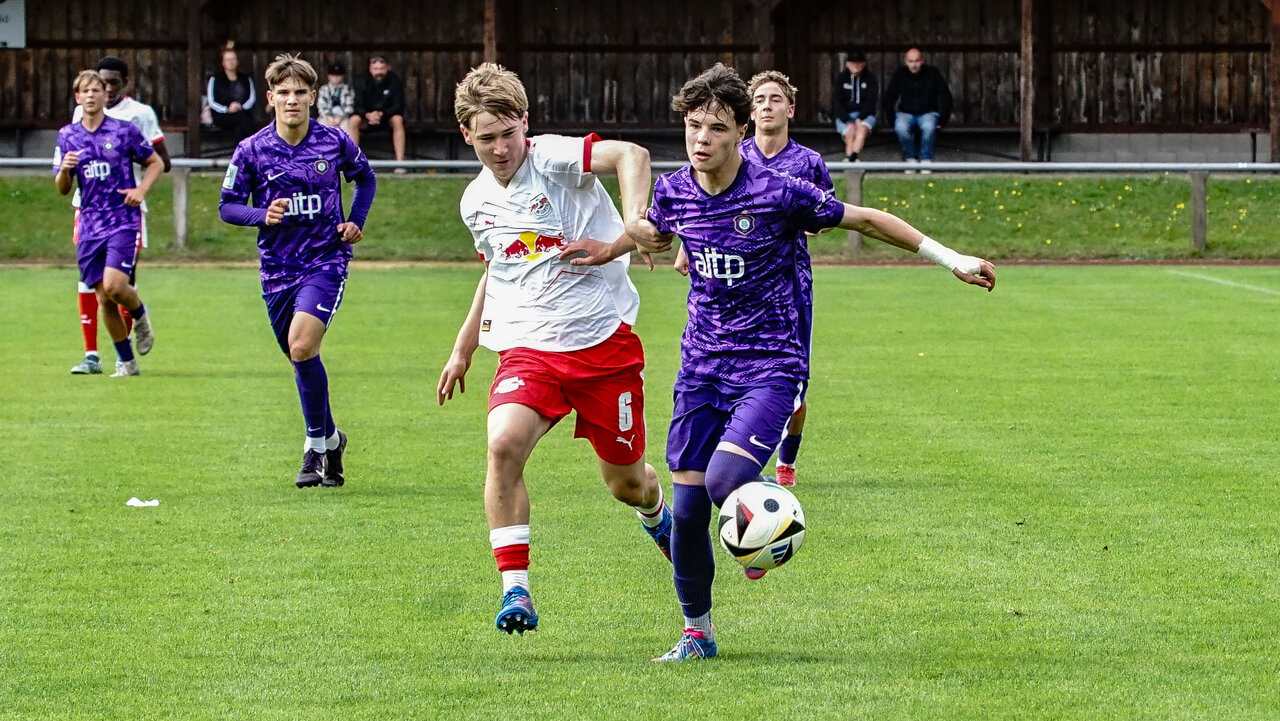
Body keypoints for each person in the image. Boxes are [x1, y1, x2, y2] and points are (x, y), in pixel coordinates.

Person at [645, 63, 995, 662]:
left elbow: (865, 219)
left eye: (717, 128)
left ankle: (772, 524)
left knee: (728, 482)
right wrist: (616, 247)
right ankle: (697, 633)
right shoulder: (674, 190)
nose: (701, 138)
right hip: (700, 367)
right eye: (693, 125)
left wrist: (950, 257)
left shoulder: (778, 191)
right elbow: (656, 231)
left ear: (740, 132)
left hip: (770, 363)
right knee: (686, 509)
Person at [436, 63, 673, 636]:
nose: (499, 149)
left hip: (601, 344)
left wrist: (634, 223)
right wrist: (464, 345)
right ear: (466, 134)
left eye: (507, 134)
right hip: (527, 348)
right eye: (485, 137)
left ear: (525, 123)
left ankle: (658, 516)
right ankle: (515, 591)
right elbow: (498, 270)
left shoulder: (555, 159)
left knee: (626, 482)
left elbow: (632, 156)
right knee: (503, 444)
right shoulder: (475, 202)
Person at [218, 54, 377, 489]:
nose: (292, 100)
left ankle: (313, 448)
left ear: (313, 97)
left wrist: (355, 222)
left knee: (302, 345)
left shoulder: (334, 141)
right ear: (270, 98)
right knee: (299, 358)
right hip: (276, 269)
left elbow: (365, 179)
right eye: (283, 93)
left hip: (325, 261)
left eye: (300, 93)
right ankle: (332, 439)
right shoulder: (251, 150)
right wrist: (260, 215)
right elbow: (227, 206)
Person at [675, 69, 831, 488]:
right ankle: (734, 454)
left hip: (788, 284)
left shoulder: (806, 163)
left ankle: (785, 460)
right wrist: (685, 245)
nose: (766, 105)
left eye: (775, 99)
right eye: (759, 98)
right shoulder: (732, 153)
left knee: (794, 380)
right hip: (728, 286)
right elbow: (700, 212)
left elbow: (824, 218)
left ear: (789, 108)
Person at [54, 70, 163, 378]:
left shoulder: (124, 131)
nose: (90, 95)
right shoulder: (67, 136)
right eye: (84, 91)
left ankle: (141, 315)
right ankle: (127, 362)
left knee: (116, 285)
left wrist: (140, 191)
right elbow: (62, 188)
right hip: (89, 222)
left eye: (96, 90)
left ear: (104, 95)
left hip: (122, 219)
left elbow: (155, 161)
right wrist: (64, 170)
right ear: (78, 98)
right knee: (103, 297)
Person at [882, 48, 952, 170]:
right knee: (901, 128)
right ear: (905, 61)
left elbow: (946, 96)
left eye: (917, 61)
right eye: (911, 61)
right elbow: (889, 97)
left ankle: (926, 159)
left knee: (929, 128)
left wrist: (942, 120)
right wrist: (892, 119)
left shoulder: (933, 73)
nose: (914, 65)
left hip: (928, 112)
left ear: (922, 60)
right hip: (905, 113)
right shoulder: (900, 74)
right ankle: (911, 158)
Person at [350, 55, 407, 171]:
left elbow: (398, 105)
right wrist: (368, 115)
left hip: (387, 117)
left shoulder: (394, 81)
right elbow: (357, 104)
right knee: (353, 120)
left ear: (387, 68)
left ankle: (400, 164)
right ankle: (352, 163)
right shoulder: (362, 81)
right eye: (375, 69)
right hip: (367, 118)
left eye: (381, 68)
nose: (378, 72)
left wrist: (381, 114)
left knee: (398, 120)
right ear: (370, 69)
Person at [832, 50, 878, 162]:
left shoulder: (871, 79)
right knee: (849, 133)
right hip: (845, 115)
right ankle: (850, 160)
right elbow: (837, 102)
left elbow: (871, 102)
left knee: (861, 131)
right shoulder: (841, 79)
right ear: (847, 64)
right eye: (853, 62)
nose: (856, 65)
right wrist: (847, 120)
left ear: (864, 64)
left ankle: (852, 158)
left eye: (859, 62)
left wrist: (860, 118)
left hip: (866, 115)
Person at [207, 43, 259, 141]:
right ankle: (252, 148)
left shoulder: (246, 79)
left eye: (233, 59)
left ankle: (240, 153)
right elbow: (211, 102)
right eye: (227, 59)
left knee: (241, 123)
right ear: (223, 63)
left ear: (237, 61)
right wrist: (227, 109)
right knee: (243, 120)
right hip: (222, 115)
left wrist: (240, 107)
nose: (230, 62)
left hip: (242, 113)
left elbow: (252, 98)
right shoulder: (215, 79)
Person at [317, 62, 355, 135]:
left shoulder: (348, 89)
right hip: (327, 117)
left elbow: (350, 106)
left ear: (342, 76)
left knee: (346, 129)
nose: (336, 77)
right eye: (333, 75)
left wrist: (340, 118)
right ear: (328, 76)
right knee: (322, 127)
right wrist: (329, 117)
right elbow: (321, 106)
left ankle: (344, 146)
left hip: (343, 117)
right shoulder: (324, 89)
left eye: (338, 75)